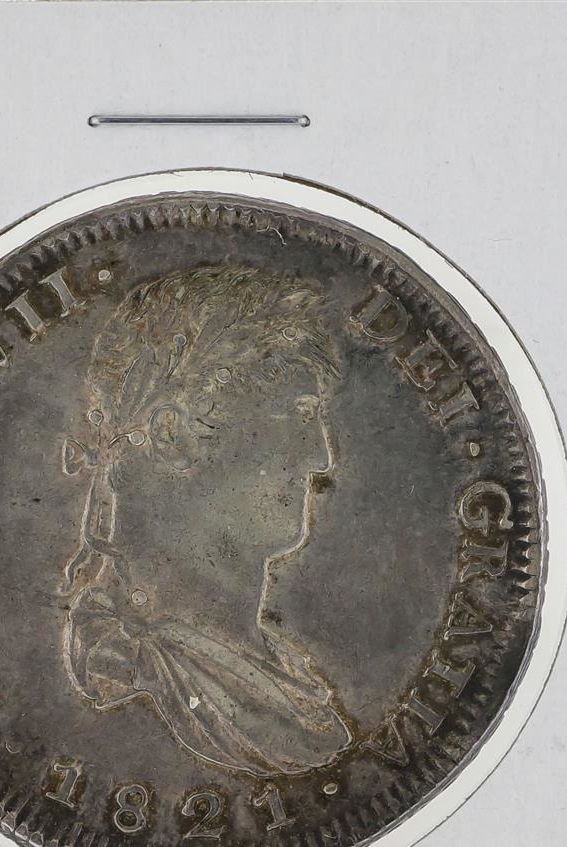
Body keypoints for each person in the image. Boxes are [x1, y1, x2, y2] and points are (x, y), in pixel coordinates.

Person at [59, 265, 353, 777]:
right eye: (299, 415)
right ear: (172, 436)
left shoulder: (283, 667)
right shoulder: (126, 670)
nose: (321, 457)